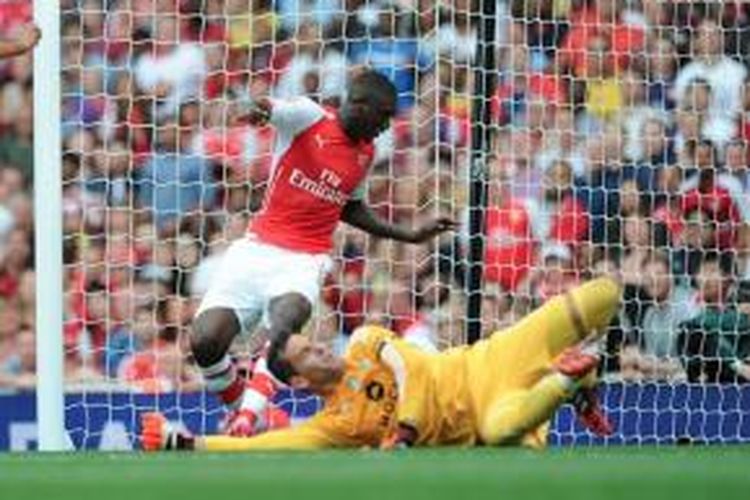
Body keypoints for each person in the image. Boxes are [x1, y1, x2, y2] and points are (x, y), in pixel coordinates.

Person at [190, 69, 456, 436]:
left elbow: (350, 207)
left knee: (285, 326)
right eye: (382, 117)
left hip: (305, 258)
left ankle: (246, 421)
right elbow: (270, 108)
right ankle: (247, 410)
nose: (384, 128)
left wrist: (409, 235)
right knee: (204, 342)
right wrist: (256, 109)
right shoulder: (308, 116)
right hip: (256, 248)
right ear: (359, 105)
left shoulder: (366, 153)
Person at [142, 277, 620, 451]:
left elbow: (409, 366)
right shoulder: (338, 425)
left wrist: (408, 426)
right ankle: (568, 381)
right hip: (489, 416)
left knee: (605, 296)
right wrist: (187, 443)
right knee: (501, 433)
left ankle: (582, 382)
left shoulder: (366, 342)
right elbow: (273, 444)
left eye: (315, 342)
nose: (322, 349)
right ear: (303, 385)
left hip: (487, 361)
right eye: (308, 354)